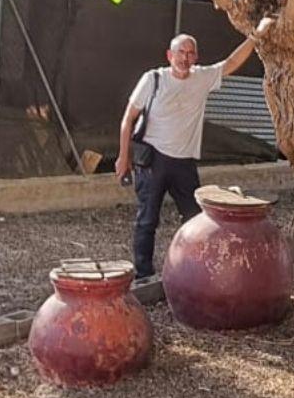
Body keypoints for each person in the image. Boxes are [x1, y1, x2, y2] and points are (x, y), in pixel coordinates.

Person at [116, 18, 273, 282]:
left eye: (190, 53)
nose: (185, 58)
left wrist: (257, 35)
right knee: (147, 220)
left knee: (196, 219)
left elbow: (231, 63)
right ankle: (144, 274)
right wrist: (123, 156)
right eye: (180, 52)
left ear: (196, 56)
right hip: (153, 158)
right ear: (169, 55)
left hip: (184, 162)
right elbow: (128, 118)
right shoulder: (153, 79)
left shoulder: (202, 78)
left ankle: (193, 270)